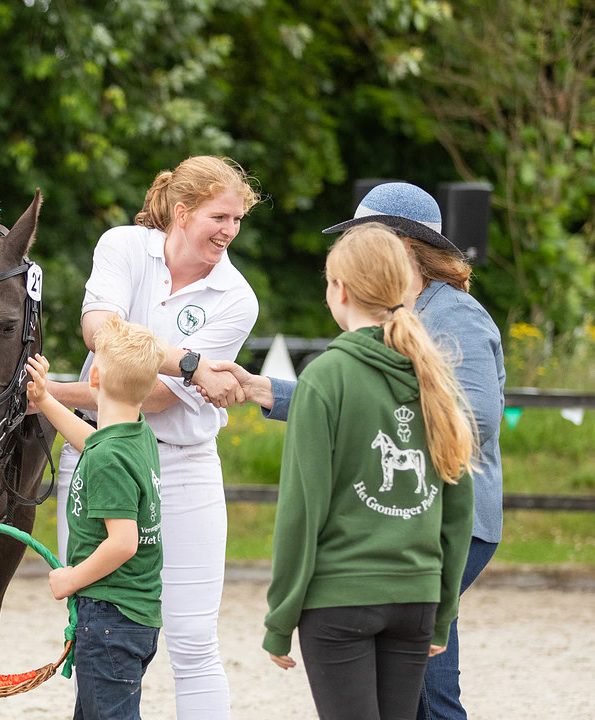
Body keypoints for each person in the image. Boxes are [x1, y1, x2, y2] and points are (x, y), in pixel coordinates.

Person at [203, 182, 504, 719]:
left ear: (402, 248)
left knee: (430, 695)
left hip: (442, 516)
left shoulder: (454, 314)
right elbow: (366, 400)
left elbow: (473, 420)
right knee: (420, 684)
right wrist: (261, 388)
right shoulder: (402, 319)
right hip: (414, 512)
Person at [46, 155, 261, 718]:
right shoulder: (123, 245)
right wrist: (188, 360)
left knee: (192, 639)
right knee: (94, 625)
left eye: (238, 219)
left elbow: (155, 397)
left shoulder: (238, 298)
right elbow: (98, 330)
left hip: (184, 465)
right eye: (220, 216)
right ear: (182, 212)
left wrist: (49, 395)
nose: (230, 231)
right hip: (98, 455)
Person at [262, 222, 476, 719]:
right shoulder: (435, 375)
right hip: (416, 600)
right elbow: (457, 511)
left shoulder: (325, 378)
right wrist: (442, 612)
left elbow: (302, 509)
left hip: (341, 599)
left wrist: (280, 618)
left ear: (339, 290)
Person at [25, 316, 170, 720]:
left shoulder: (109, 457)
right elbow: (92, 443)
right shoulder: (136, 434)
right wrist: (47, 399)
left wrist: (72, 578)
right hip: (131, 617)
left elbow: (122, 542)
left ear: (94, 377)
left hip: (109, 614)